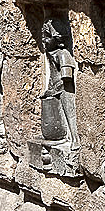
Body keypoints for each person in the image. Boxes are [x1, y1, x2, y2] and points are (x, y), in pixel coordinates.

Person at [39, 17, 79, 149]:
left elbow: (66, 78)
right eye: (43, 36)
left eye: (47, 37)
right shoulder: (51, 54)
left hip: (64, 90)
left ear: (56, 39)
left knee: (70, 114)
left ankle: (75, 138)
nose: (44, 40)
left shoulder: (62, 54)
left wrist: (53, 89)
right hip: (55, 88)